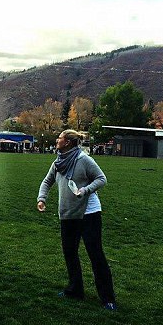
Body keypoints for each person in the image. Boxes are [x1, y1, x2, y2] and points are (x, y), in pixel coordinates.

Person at [37, 129, 117, 311]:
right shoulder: (58, 162)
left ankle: (107, 298)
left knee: (95, 255)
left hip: (89, 214)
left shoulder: (84, 160)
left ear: (68, 142)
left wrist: (86, 190)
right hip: (68, 213)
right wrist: (41, 199)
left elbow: (101, 179)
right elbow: (47, 181)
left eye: (59, 138)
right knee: (70, 253)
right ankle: (75, 290)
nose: (57, 141)